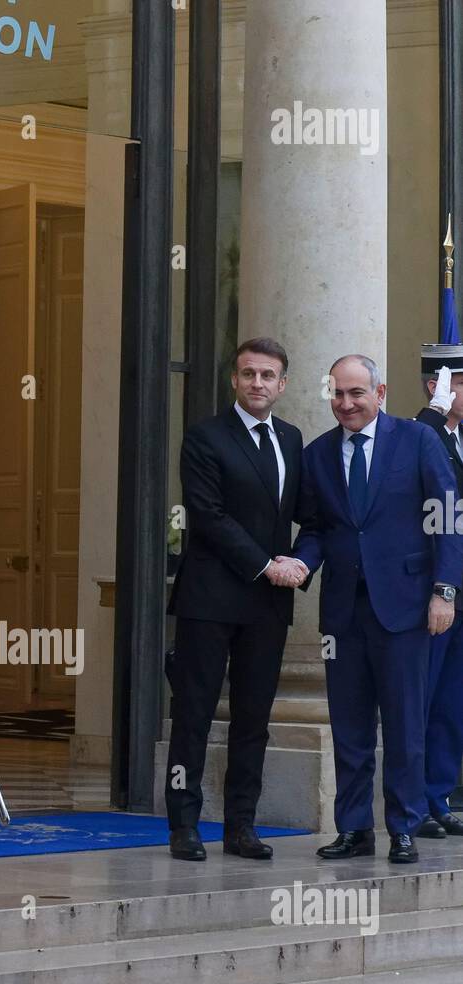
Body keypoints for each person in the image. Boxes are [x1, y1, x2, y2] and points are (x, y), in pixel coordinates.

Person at [292, 354, 463, 864]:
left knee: (407, 721)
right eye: (338, 395)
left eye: (356, 394)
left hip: (408, 609)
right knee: (349, 726)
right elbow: (317, 528)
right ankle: (354, 829)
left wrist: (445, 591)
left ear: (380, 393)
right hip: (343, 614)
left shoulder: (416, 440)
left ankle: (404, 827)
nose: (346, 404)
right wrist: (301, 565)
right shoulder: (319, 454)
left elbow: (448, 516)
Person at [166, 337, 308, 862]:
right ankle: (183, 825)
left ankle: (241, 827)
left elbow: (307, 516)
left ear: (282, 384)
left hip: (266, 607)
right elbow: (208, 516)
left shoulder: (291, 440)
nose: (257, 384)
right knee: (194, 715)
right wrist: (267, 564)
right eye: (248, 374)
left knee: (254, 719)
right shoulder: (205, 437)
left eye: (268, 376)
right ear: (234, 380)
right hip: (210, 599)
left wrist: (302, 562)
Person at [412, 347, 463, 838]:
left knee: (452, 702)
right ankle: (414, 803)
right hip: (434, 593)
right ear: (438, 387)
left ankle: (439, 796)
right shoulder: (419, 434)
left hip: (462, 592)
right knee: (421, 700)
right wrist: (432, 413)